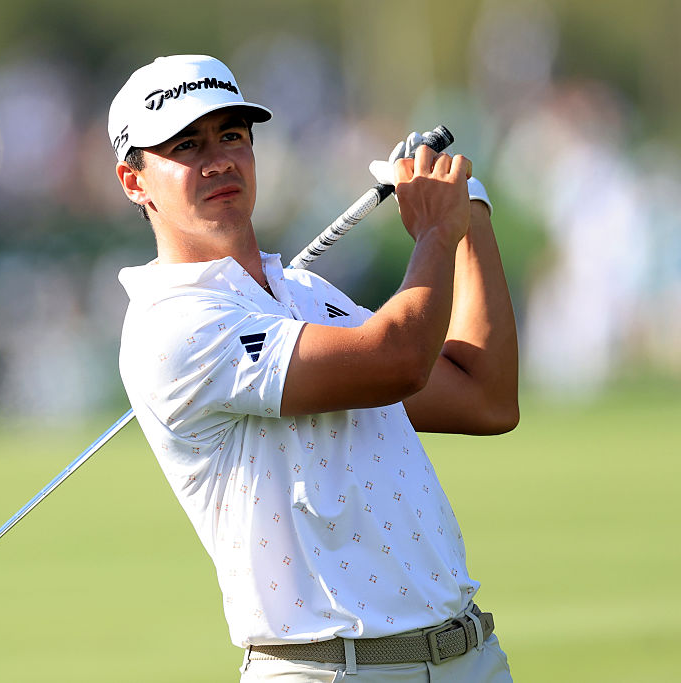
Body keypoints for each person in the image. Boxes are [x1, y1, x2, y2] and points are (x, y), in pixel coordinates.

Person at [110, 54, 519, 682]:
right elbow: (399, 359)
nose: (218, 160)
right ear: (133, 181)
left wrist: (468, 213)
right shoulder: (171, 326)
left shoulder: (306, 295)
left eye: (232, 136)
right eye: (186, 146)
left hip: (467, 658)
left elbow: (484, 397)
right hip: (327, 669)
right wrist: (436, 232)